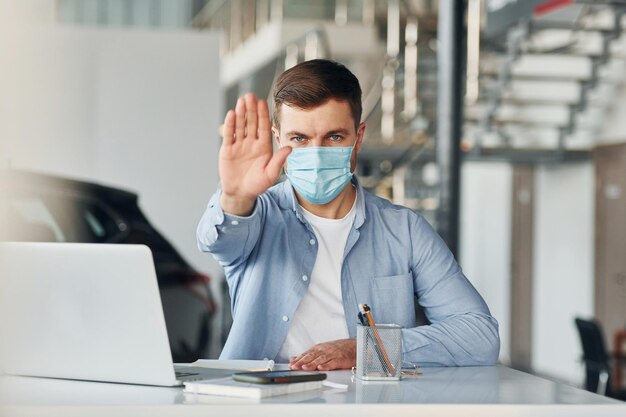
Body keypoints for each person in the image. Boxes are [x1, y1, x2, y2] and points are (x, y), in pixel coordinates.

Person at [197, 59, 499, 371]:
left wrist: (366, 349)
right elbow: (217, 240)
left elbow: (479, 336)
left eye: (334, 137)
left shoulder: (404, 230)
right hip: (260, 402)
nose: (316, 153)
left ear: (358, 137)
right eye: (299, 138)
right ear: (279, 140)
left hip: (366, 401)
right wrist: (234, 197)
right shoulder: (255, 214)